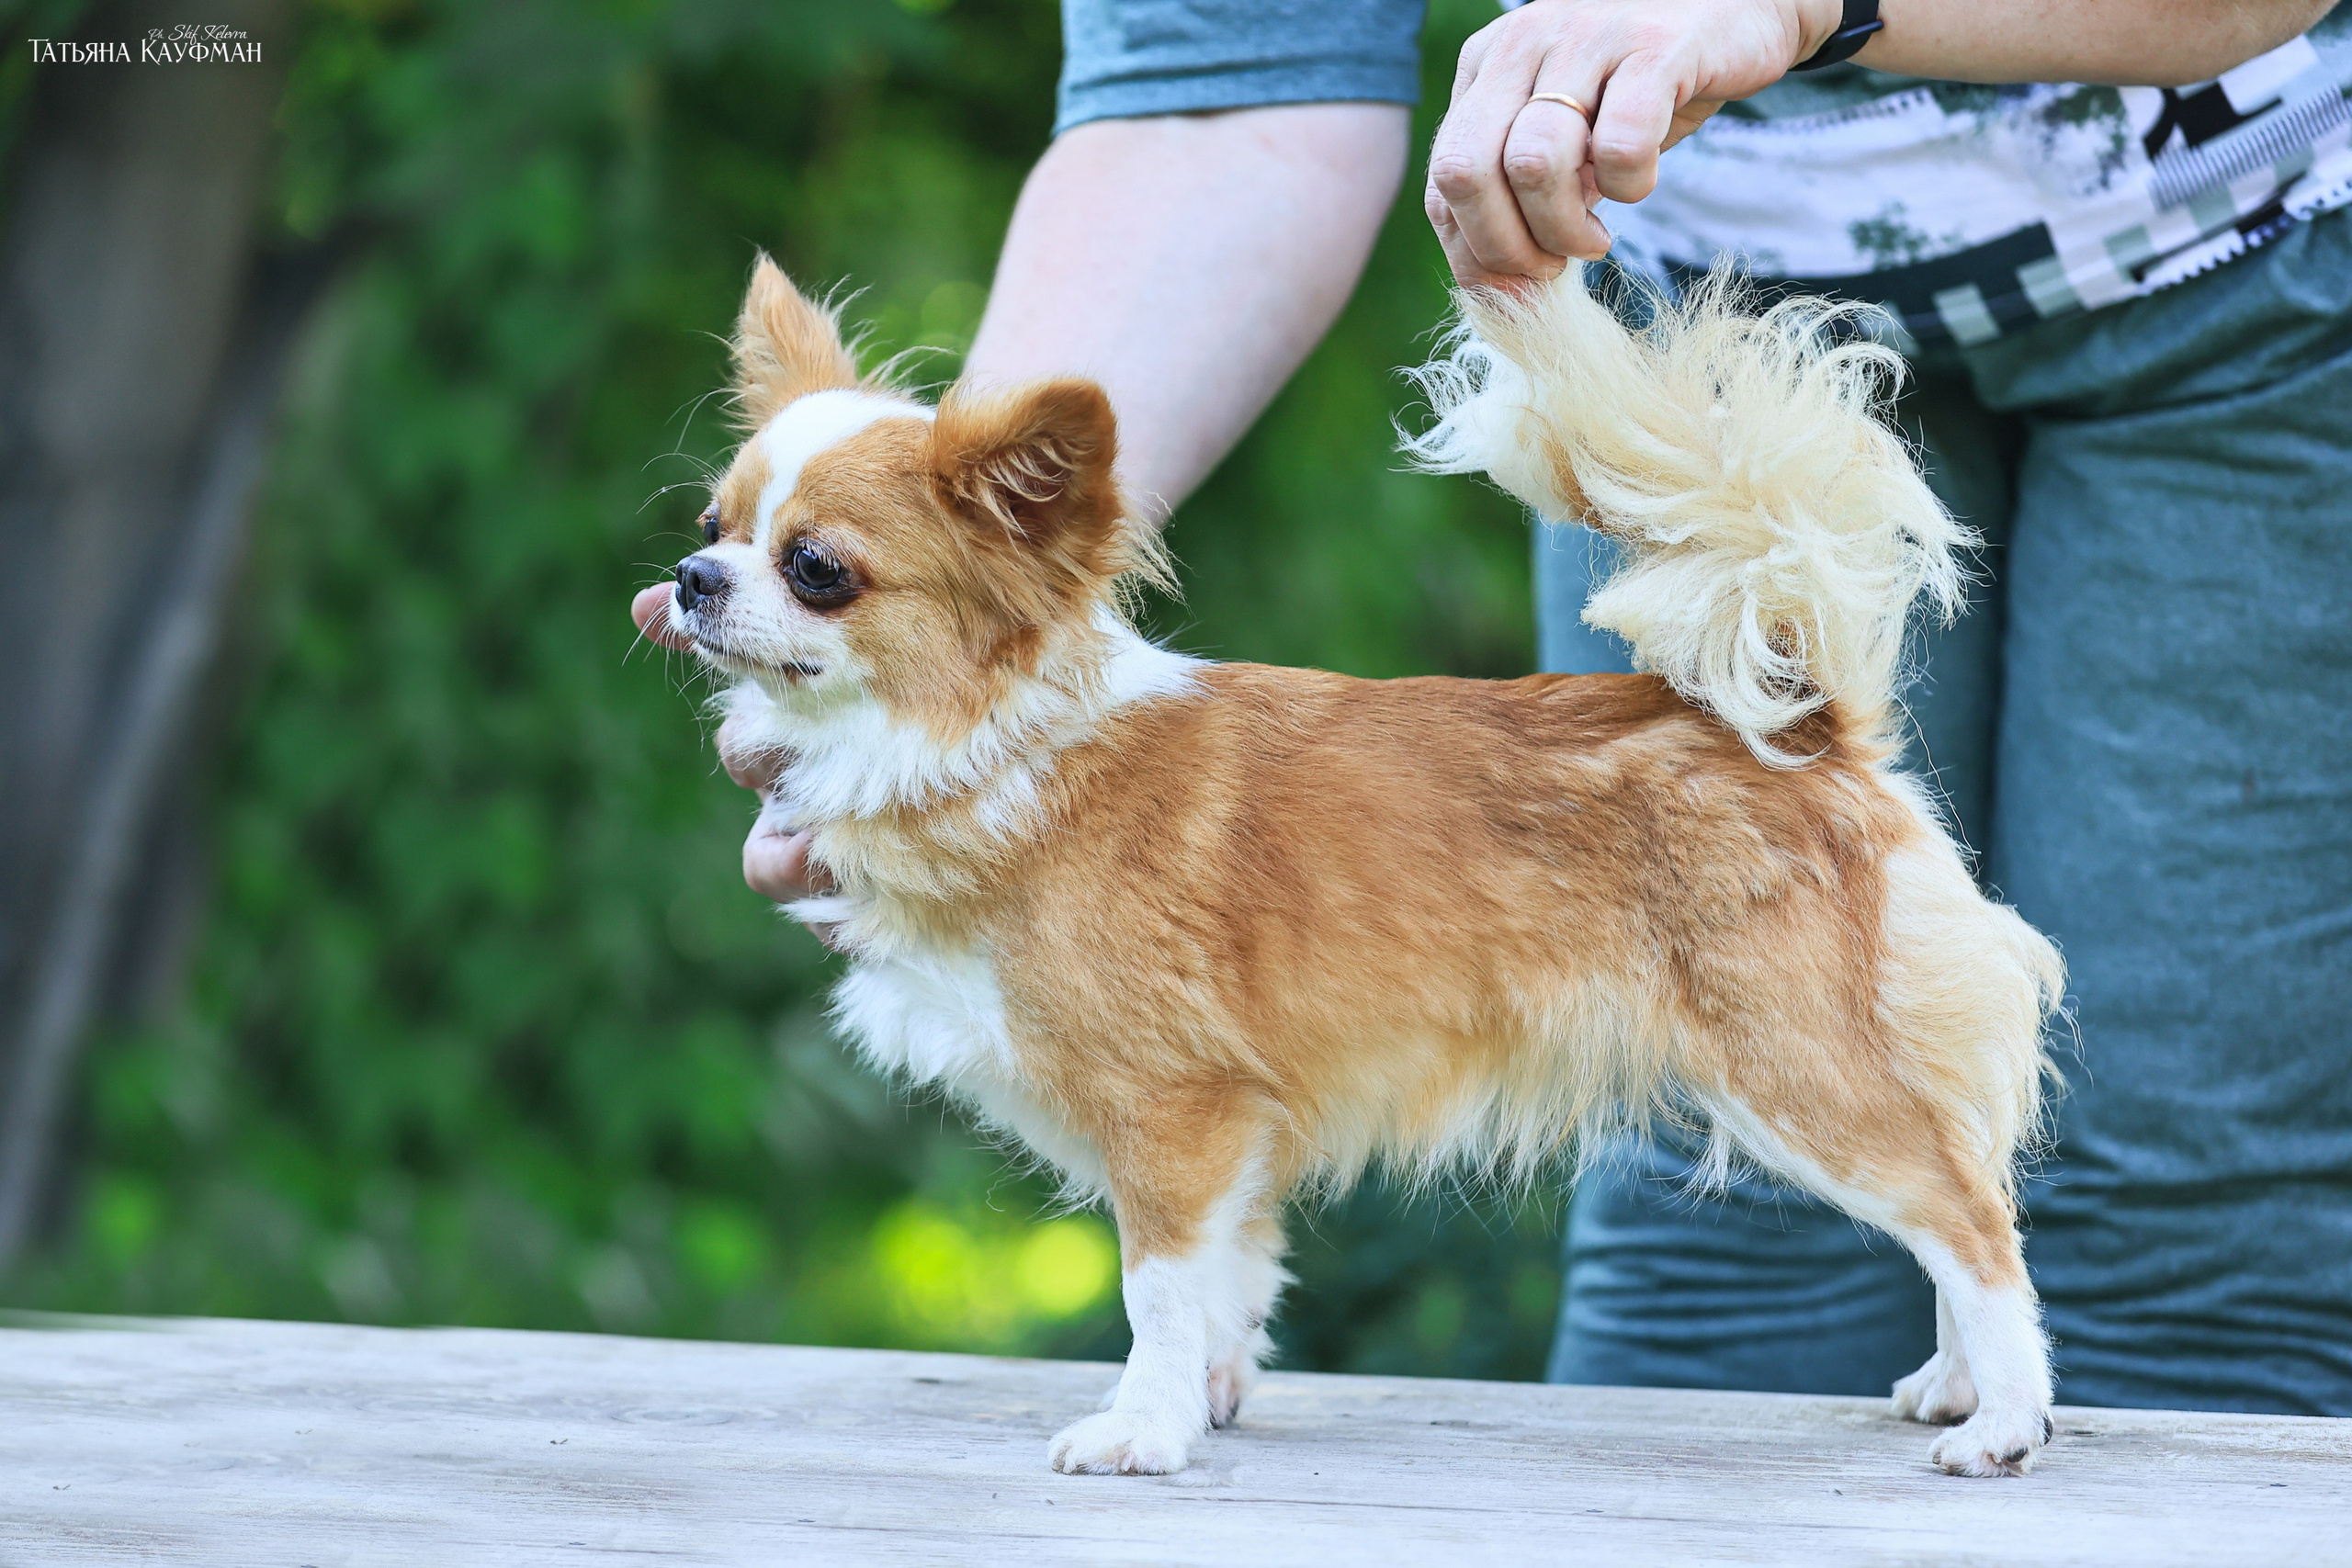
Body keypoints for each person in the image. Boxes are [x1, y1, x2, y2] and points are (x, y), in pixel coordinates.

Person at [634, 0, 2352, 1416]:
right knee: (1707, 1225)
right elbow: (1218, 76)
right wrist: (935, 535)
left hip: (2239, 265)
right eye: (733, 546)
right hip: (1637, 275)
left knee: (2189, 1203)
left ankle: (2025, 1367)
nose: (734, 586)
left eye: (815, 571)